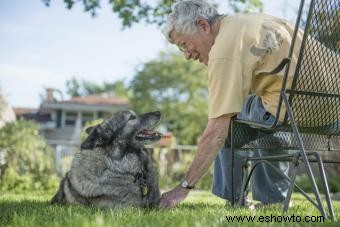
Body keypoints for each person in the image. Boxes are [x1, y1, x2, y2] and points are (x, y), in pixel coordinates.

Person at [159, 0, 304, 209]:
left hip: (290, 110)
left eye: (184, 45)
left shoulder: (224, 48)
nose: (187, 55)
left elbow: (215, 132)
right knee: (255, 108)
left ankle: (236, 199)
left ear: (203, 25)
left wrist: (182, 188)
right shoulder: (251, 21)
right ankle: (271, 200)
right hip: (328, 109)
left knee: (226, 120)